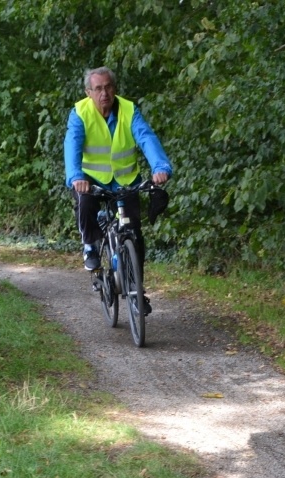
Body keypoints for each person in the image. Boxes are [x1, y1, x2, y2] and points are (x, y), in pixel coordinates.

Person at [64, 66, 172, 313]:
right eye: (98, 88)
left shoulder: (129, 110)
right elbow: (72, 145)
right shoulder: (80, 112)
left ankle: (137, 292)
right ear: (88, 92)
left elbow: (146, 138)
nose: (105, 93)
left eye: (108, 87)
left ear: (115, 88)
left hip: (125, 180)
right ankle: (90, 244)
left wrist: (160, 166)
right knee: (85, 202)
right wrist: (76, 176)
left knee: (134, 232)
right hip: (91, 179)